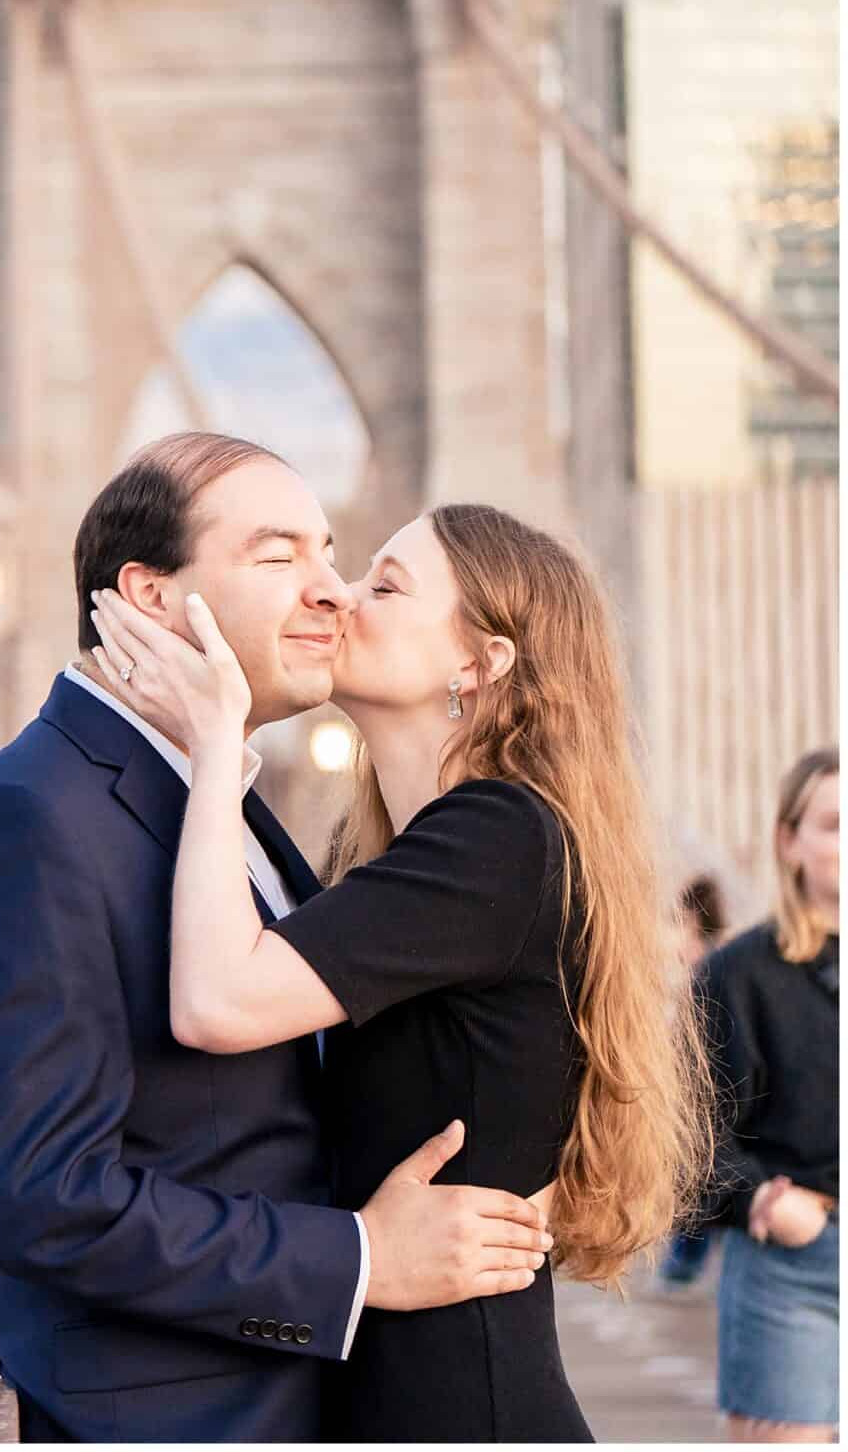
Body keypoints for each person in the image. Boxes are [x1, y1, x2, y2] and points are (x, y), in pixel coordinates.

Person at [0, 435, 553, 1444]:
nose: (331, 590)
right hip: (176, 1414)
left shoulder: (225, 807)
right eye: (277, 556)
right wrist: (355, 1260)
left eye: (332, 552)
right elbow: (43, 1196)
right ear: (150, 595)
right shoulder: (31, 815)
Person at [88, 501, 712, 1442]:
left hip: (463, 1402)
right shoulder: (401, 849)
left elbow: (218, 1003)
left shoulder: (496, 836)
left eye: (384, 584)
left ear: (478, 663)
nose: (339, 595)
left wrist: (217, 744)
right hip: (408, 1387)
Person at [695, 747, 838, 1443]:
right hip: (794, 1268)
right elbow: (692, 1133)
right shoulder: (739, 974)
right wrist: (759, 1199)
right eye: (833, 822)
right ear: (790, 841)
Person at [660, 875, 734, 1291]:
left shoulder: (715, 969)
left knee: (704, 1180)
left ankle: (683, 1264)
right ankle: (685, 1261)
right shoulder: (716, 965)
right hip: (709, 1100)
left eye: (681, 924)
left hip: (711, 1100)